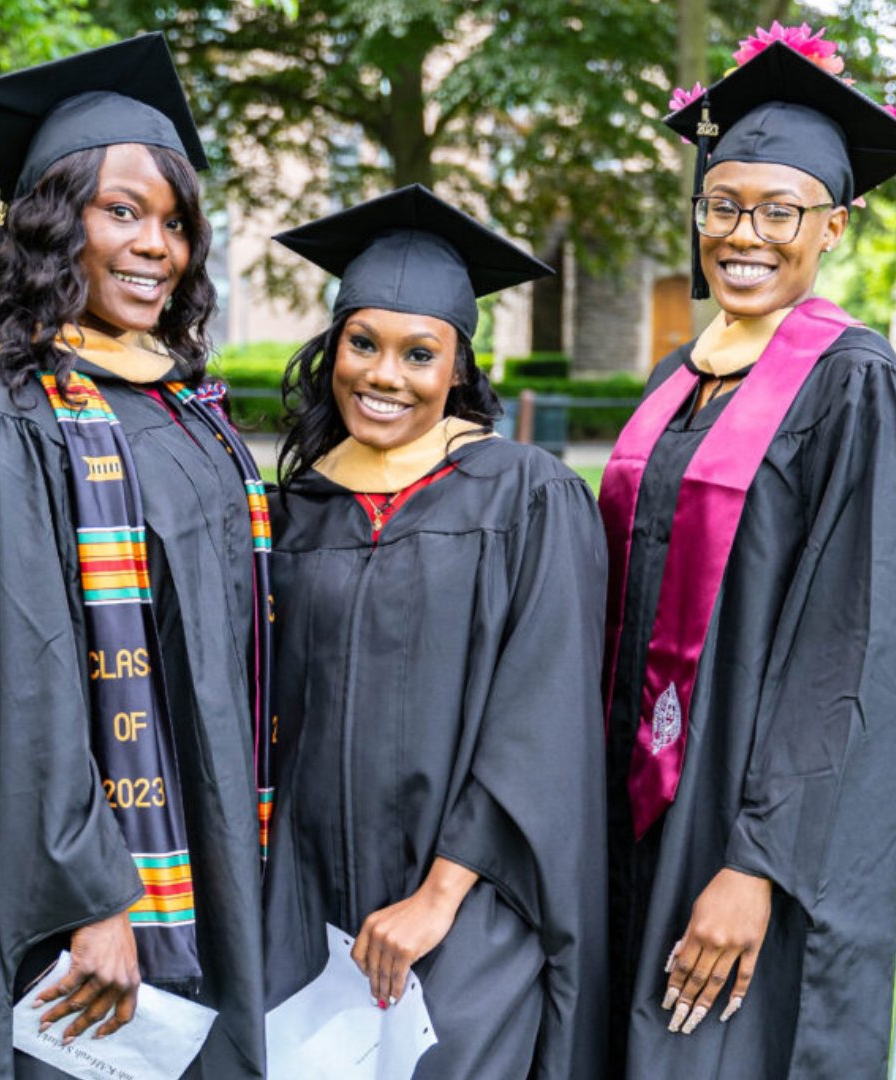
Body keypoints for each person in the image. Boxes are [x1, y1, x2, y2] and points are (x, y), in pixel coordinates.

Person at [600, 30, 896, 1079]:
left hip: (754, 819)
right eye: (724, 205)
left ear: (833, 228)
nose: (744, 234)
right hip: (641, 794)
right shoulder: (679, 379)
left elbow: (847, 643)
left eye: (779, 211)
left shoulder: (855, 384)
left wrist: (754, 864)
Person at [0, 35, 271, 1080]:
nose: (157, 246)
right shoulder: (5, 418)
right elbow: (23, 681)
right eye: (122, 211)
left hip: (202, 847)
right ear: (48, 220)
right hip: (88, 900)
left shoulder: (178, 405)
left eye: (174, 222)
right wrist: (93, 903)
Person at [262, 184, 609, 1078]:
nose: (384, 375)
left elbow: (544, 716)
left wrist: (439, 896)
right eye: (363, 343)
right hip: (305, 912)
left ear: (458, 367)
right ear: (333, 345)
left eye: (420, 353)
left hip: (470, 907)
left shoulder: (526, 496)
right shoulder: (294, 511)